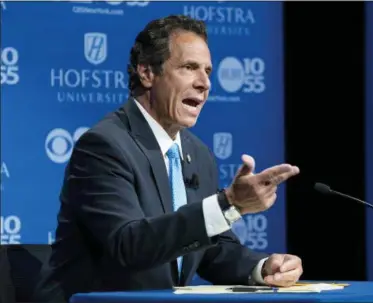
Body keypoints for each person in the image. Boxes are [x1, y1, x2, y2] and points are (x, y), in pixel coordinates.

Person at [33, 15, 302, 302]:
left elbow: (207, 247)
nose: (205, 83)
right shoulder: (104, 146)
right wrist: (229, 203)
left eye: (208, 71)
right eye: (189, 68)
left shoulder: (197, 154)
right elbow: (129, 245)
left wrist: (261, 268)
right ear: (147, 73)